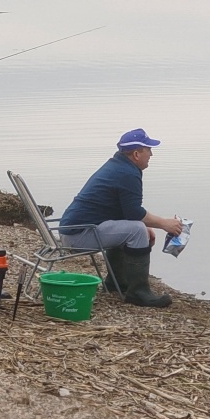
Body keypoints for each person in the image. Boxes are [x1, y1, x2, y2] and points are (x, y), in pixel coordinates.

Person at [57, 129, 186, 307]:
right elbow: (134, 213)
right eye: (148, 149)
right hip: (78, 236)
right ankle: (139, 292)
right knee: (137, 230)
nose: (151, 154)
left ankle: (115, 283)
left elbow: (124, 212)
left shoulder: (118, 166)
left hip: (74, 232)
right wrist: (164, 224)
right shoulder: (127, 173)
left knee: (135, 228)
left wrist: (145, 224)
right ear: (136, 154)